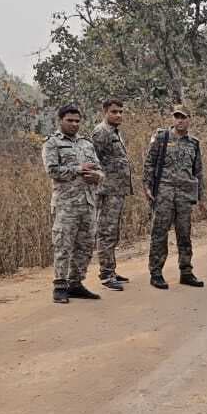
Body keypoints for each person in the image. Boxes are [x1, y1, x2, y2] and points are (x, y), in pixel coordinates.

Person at [42, 104, 104, 304]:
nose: (74, 124)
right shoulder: (53, 143)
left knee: (85, 246)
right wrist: (78, 169)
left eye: (77, 121)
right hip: (66, 204)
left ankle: (75, 283)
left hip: (87, 203)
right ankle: (60, 286)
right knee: (63, 245)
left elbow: (99, 170)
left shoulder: (86, 143)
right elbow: (52, 171)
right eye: (70, 120)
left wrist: (96, 176)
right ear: (60, 120)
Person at [143, 105, 206, 290]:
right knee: (159, 233)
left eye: (183, 117)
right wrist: (146, 186)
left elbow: (198, 171)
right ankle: (156, 273)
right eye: (176, 117)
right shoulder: (162, 138)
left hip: (185, 194)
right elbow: (149, 162)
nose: (179, 120)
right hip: (164, 192)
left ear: (189, 119)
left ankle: (186, 272)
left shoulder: (193, 143)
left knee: (184, 234)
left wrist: (201, 197)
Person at [91, 97, 132, 290]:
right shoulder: (101, 132)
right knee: (106, 232)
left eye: (121, 112)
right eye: (114, 112)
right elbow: (93, 160)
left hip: (117, 190)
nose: (118, 115)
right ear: (105, 112)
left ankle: (111, 270)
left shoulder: (115, 131)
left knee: (113, 231)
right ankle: (106, 275)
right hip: (107, 190)